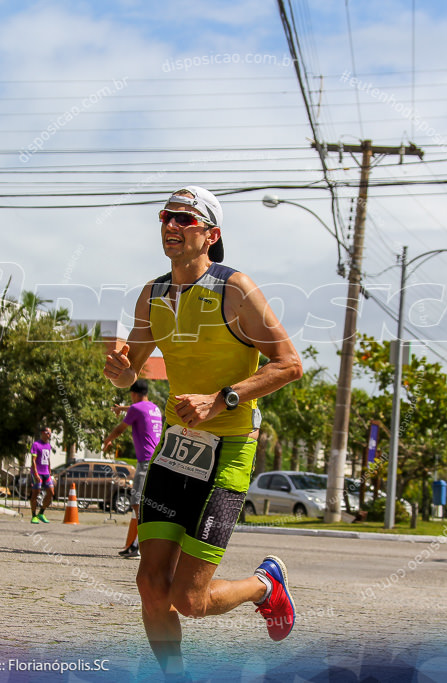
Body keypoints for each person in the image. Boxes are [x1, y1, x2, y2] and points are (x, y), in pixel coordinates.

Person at [103, 186, 303, 677]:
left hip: (230, 448)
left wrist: (222, 399)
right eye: (165, 217)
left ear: (210, 235)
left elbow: (289, 364)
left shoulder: (235, 289)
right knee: (150, 585)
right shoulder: (153, 296)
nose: (171, 226)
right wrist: (122, 372)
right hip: (176, 450)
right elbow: (136, 367)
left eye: (183, 219)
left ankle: (265, 584)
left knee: (189, 599)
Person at [103, 379, 163, 559]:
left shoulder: (137, 409)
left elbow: (120, 429)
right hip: (157, 461)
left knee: (138, 504)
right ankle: (136, 545)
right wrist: (122, 409)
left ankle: (140, 546)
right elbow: (137, 409)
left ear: (134, 394)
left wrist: (108, 439)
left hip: (145, 462)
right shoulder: (154, 408)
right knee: (144, 505)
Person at [29, 427, 56, 524]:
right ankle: (33, 515)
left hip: (46, 473)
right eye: (47, 432)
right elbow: (33, 460)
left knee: (51, 492)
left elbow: (48, 460)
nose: (49, 435)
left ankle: (41, 512)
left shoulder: (48, 446)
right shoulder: (36, 445)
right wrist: (35, 473)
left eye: (50, 433)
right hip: (37, 472)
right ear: (42, 433)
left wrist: (50, 472)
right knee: (35, 493)